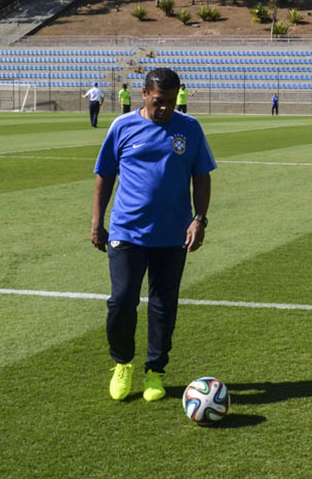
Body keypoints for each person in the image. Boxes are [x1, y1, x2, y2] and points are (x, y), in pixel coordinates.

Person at [91, 68, 216, 403]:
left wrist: (199, 220)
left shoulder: (189, 128)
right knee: (121, 302)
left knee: (163, 306)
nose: (166, 109)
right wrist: (96, 222)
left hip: (172, 235)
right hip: (126, 232)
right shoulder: (122, 126)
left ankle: (155, 372)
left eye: (172, 102)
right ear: (144, 94)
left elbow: (201, 176)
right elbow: (105, 175)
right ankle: (122, 363)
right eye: (160, 102)